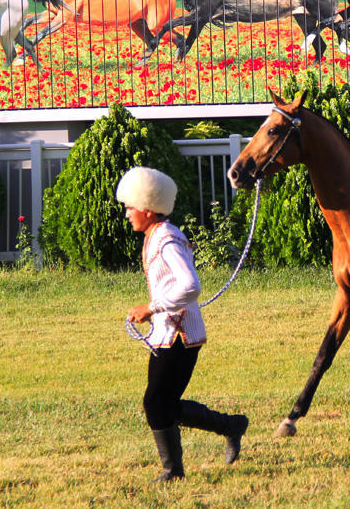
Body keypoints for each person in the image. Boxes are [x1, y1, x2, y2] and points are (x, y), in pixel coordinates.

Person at [119, 166, 249, 483]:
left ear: (148, 209)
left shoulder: (166, 239)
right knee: (163, 405)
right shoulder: (156, 235)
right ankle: (229, 426)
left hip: (180, 336)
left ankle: (174, 472)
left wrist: (152, 307)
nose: (127, 214)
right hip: (167, 335)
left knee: (156, 403)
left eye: (131, 207)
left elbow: (191, 285)